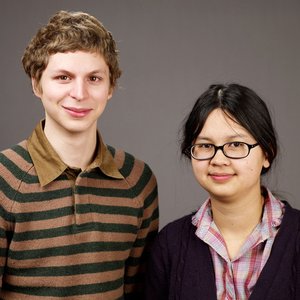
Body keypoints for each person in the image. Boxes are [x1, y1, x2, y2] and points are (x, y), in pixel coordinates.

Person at [0, 10, 158, 299]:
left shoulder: (137, 180)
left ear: (110, 87)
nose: (79, 92)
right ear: (37, 84)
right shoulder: (4, 179)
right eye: (63, 77)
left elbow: (138, 293)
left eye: (94, 78)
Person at [145, 83, 300, 300]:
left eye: (235, 145)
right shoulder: (169, 245)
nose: (218, 160)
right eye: (205, 146)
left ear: (267, 153)